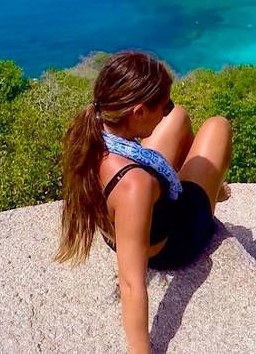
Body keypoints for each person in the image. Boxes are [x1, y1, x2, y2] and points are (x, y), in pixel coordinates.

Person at [54, 51, 232, 354]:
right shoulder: (135, 185)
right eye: (162, 107)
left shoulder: (91, 133)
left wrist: (168, 113)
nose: (166, 111)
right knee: (218, 126)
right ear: (137, 112)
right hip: (175, 239)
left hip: (125, 223)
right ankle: (211, 189)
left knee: (181, 117)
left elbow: (167, 119)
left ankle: (200, 181)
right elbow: (132, 283)